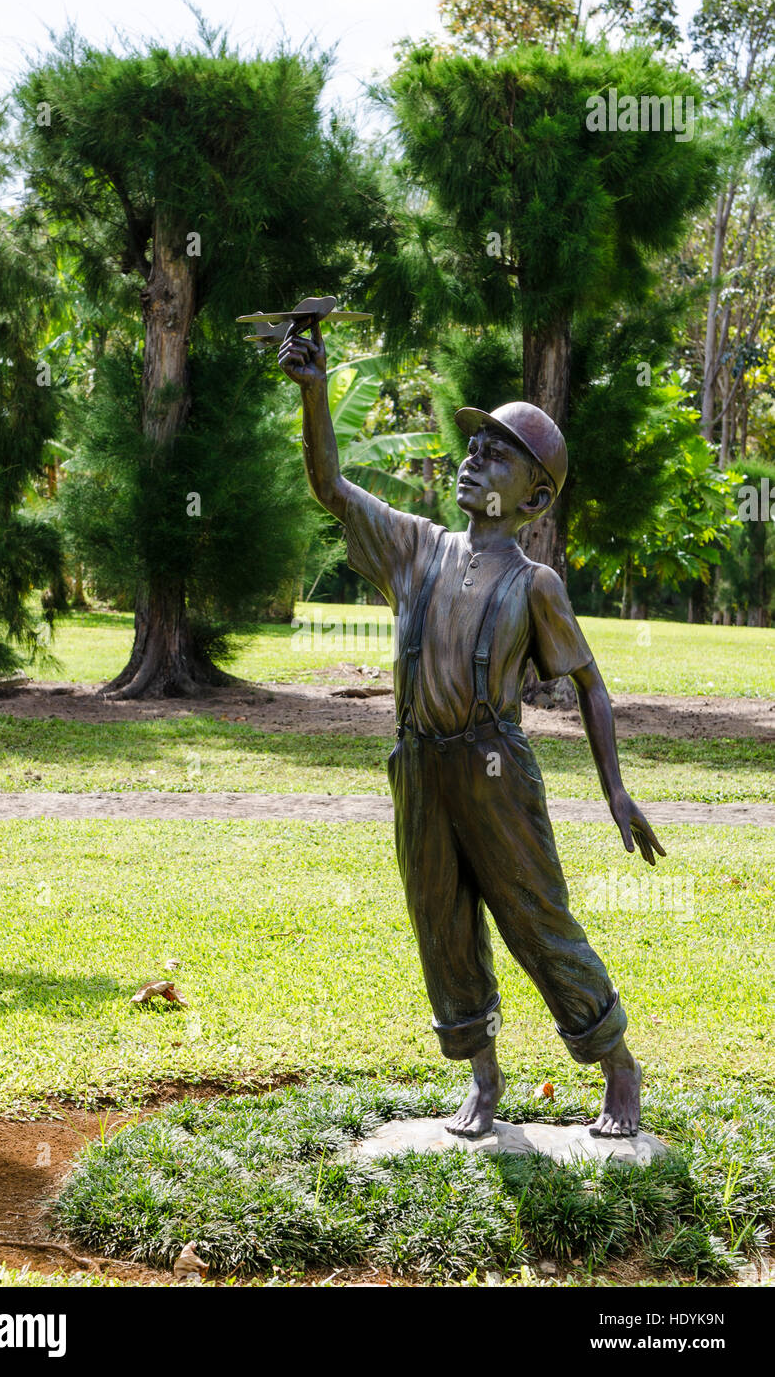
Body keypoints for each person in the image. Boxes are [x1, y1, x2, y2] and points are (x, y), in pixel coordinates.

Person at [278, 317, 666, 1140]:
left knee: (535, 917)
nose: (472, 455)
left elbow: (590, 684)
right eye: (474, 443)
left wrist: (617, 790)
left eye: (496, 450)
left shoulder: (537, 586)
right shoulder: (414, 548)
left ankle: (616, 1065)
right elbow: (332, 488)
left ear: (533, 496)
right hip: (419, 769)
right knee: (441, 923)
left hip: (496, 774)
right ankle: (483, 1080)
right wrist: (315, 397)